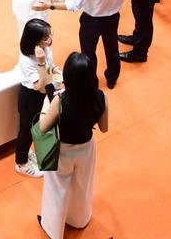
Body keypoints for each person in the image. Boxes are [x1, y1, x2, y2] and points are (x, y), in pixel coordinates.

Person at [40, 0, 132, 91]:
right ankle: (112, 78)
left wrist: (50, 5)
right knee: (112, 48)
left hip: (92, 21)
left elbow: (74, 5)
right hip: (113, 18)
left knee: (88, 52)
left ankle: (92, 83)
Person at [37, 52, 108, 239]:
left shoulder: (60, 101)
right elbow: (104, 128)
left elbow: (43, 127)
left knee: (57, 190)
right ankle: (80, 219)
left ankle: (54, 229)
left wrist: (46, 104)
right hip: (86, 148)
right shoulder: (100, 97)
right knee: (83, 185)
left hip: (62, 151)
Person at [14, 18, 57, 178]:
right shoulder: (27, 60)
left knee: (38, 127)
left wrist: (55, 68)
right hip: (31, 96)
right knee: (26, 130)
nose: (50, 39)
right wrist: (40, 63)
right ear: (35, 41)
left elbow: (50, 65)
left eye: (50, 33)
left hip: (45, 90)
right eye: (46, 37)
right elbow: (40, 87)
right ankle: (21, 163)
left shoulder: (44, 47)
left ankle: (28, 153)